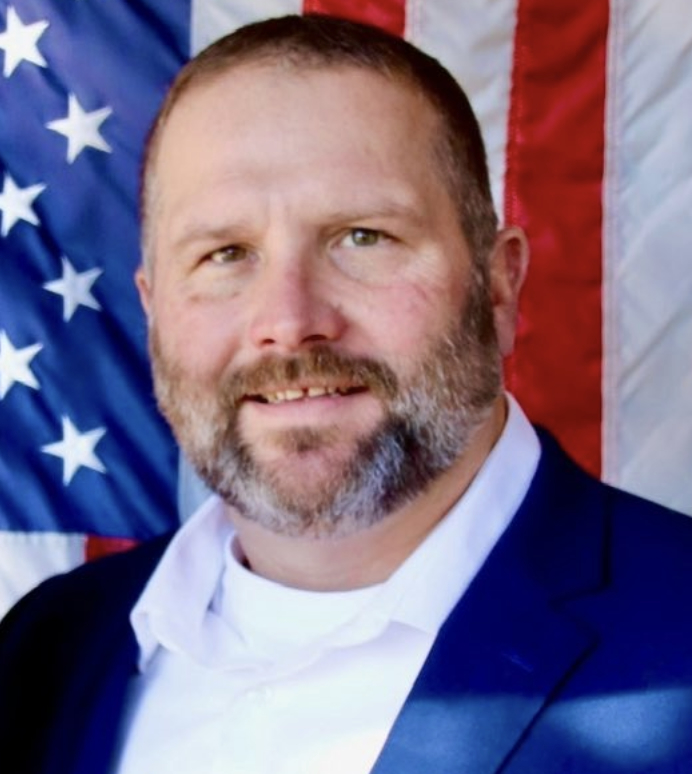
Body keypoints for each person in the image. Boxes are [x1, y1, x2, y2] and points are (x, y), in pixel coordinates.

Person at [2, 14, 692, 774]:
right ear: (153, 308)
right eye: (226, 253)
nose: (289, 322)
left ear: (498, 287)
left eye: (362, 237)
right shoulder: (45, 653)